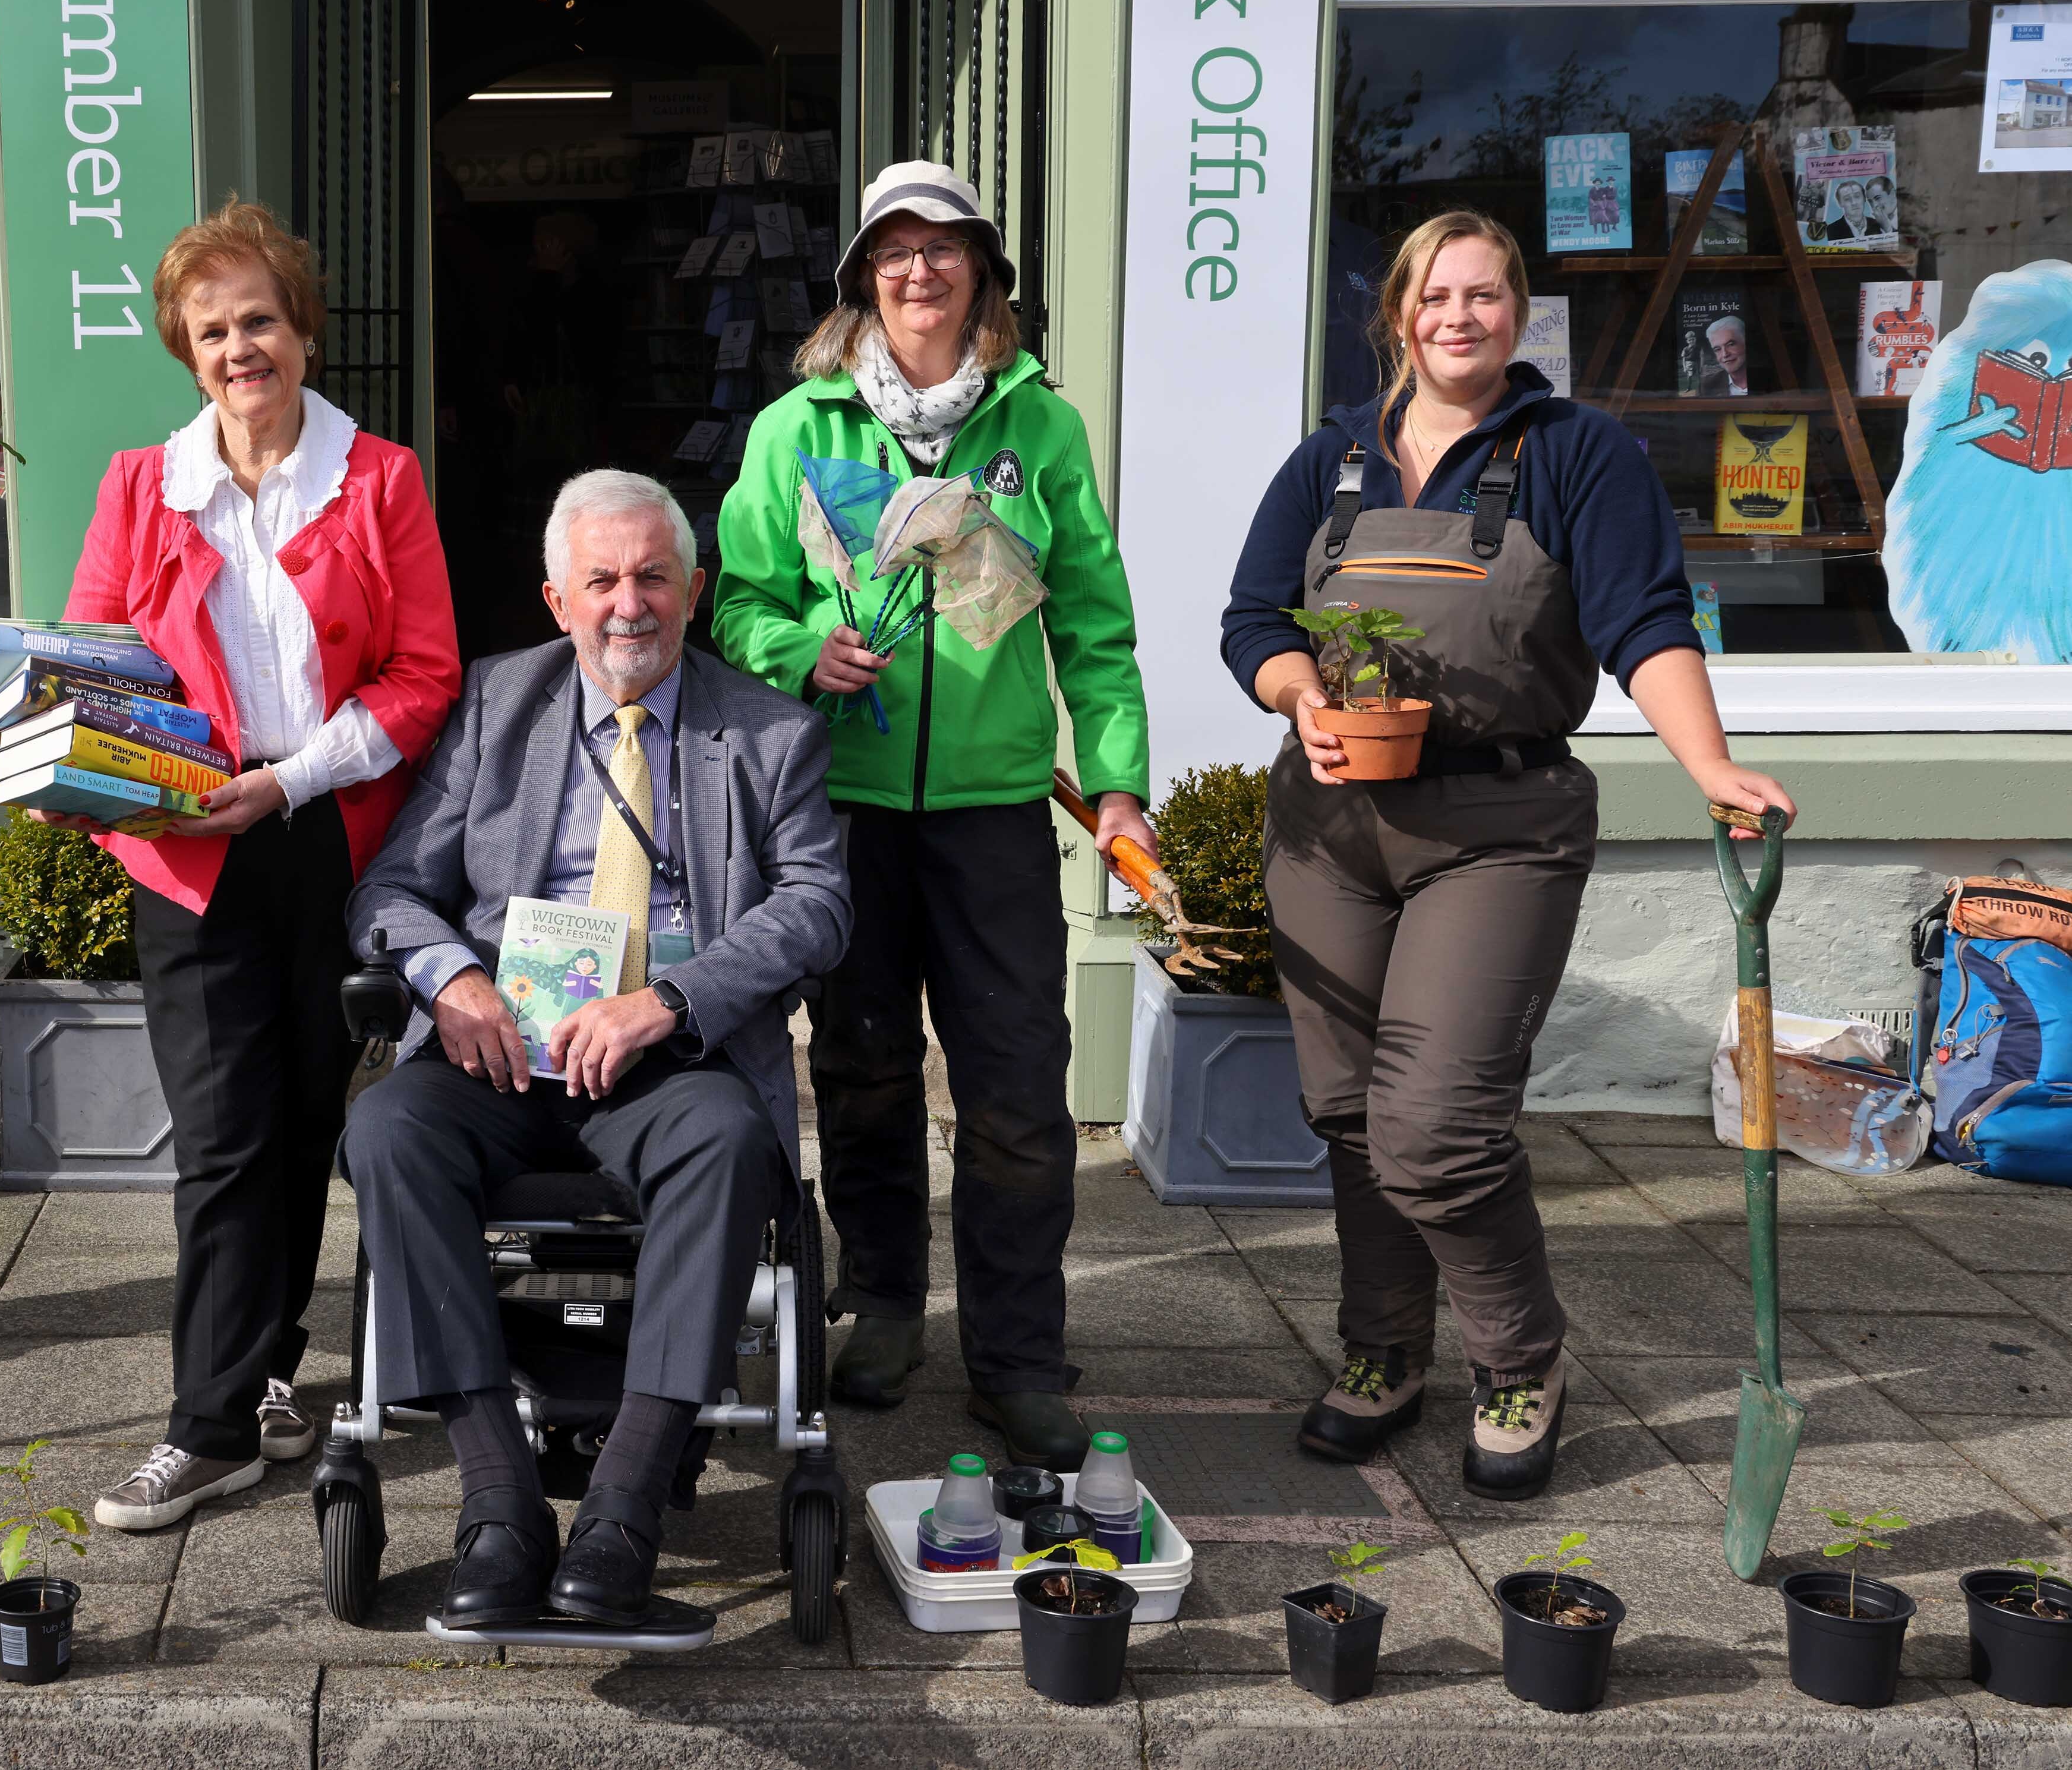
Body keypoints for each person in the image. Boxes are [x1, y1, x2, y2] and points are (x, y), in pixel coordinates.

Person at [1222, 210, 1795, 1499]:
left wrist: (1706, 765)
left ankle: (1516, 1358)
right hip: (1327, 827)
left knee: (1433, 1129)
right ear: (1400, 313)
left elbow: (1645, 615)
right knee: (1348, 1115)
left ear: (1517, 314)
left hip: (1500, 825)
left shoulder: (1572, 454)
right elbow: (1254, 616)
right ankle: (1382, 1351)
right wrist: (1300, 694)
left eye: (1486, 297)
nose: (1459, 317)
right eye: (1437, 295)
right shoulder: (1332, 460)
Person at [342, 468, 851, 1630]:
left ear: (696, 590)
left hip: (668, 1061)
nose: (630, 604)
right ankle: (498, 1502)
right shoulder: (492, 706)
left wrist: (670, 998)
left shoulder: (768, 734)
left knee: (730, 1143)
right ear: (556, 600)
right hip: (501, 1054)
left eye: (653, 577)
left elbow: (819, 903)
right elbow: (390, 887)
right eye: (602, 581)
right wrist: (451, 974)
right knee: (386, 1127)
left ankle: (624, 1509)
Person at [712, 162, 1152, 1472]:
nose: (918, 271)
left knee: (1019, 1091)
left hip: (996, 812)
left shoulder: (1041, 430)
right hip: (837, 811)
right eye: (892, 251)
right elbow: (732, 602)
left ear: (984, 275)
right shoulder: (799, 428)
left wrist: (1116, 777)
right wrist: (802, 651)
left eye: (944, 249)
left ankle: (1018, 1357)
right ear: (861, 276)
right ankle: (887, 1306)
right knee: (857, 1069)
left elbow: (1094, 620)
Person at [59, 200, 462, 1532]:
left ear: (303, 331)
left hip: (332, 841)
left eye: (263, 321)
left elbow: (424, 677)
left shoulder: (381, 478)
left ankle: (272, 1370)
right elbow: (94, 662)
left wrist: (284, 781)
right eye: (215, 327)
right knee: (226, 1140)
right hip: (188, 853)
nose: (243, 347)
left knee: (304, 1128)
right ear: (186, 348)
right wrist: (144, 783)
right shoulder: (138, 486)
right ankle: (206, 1426)